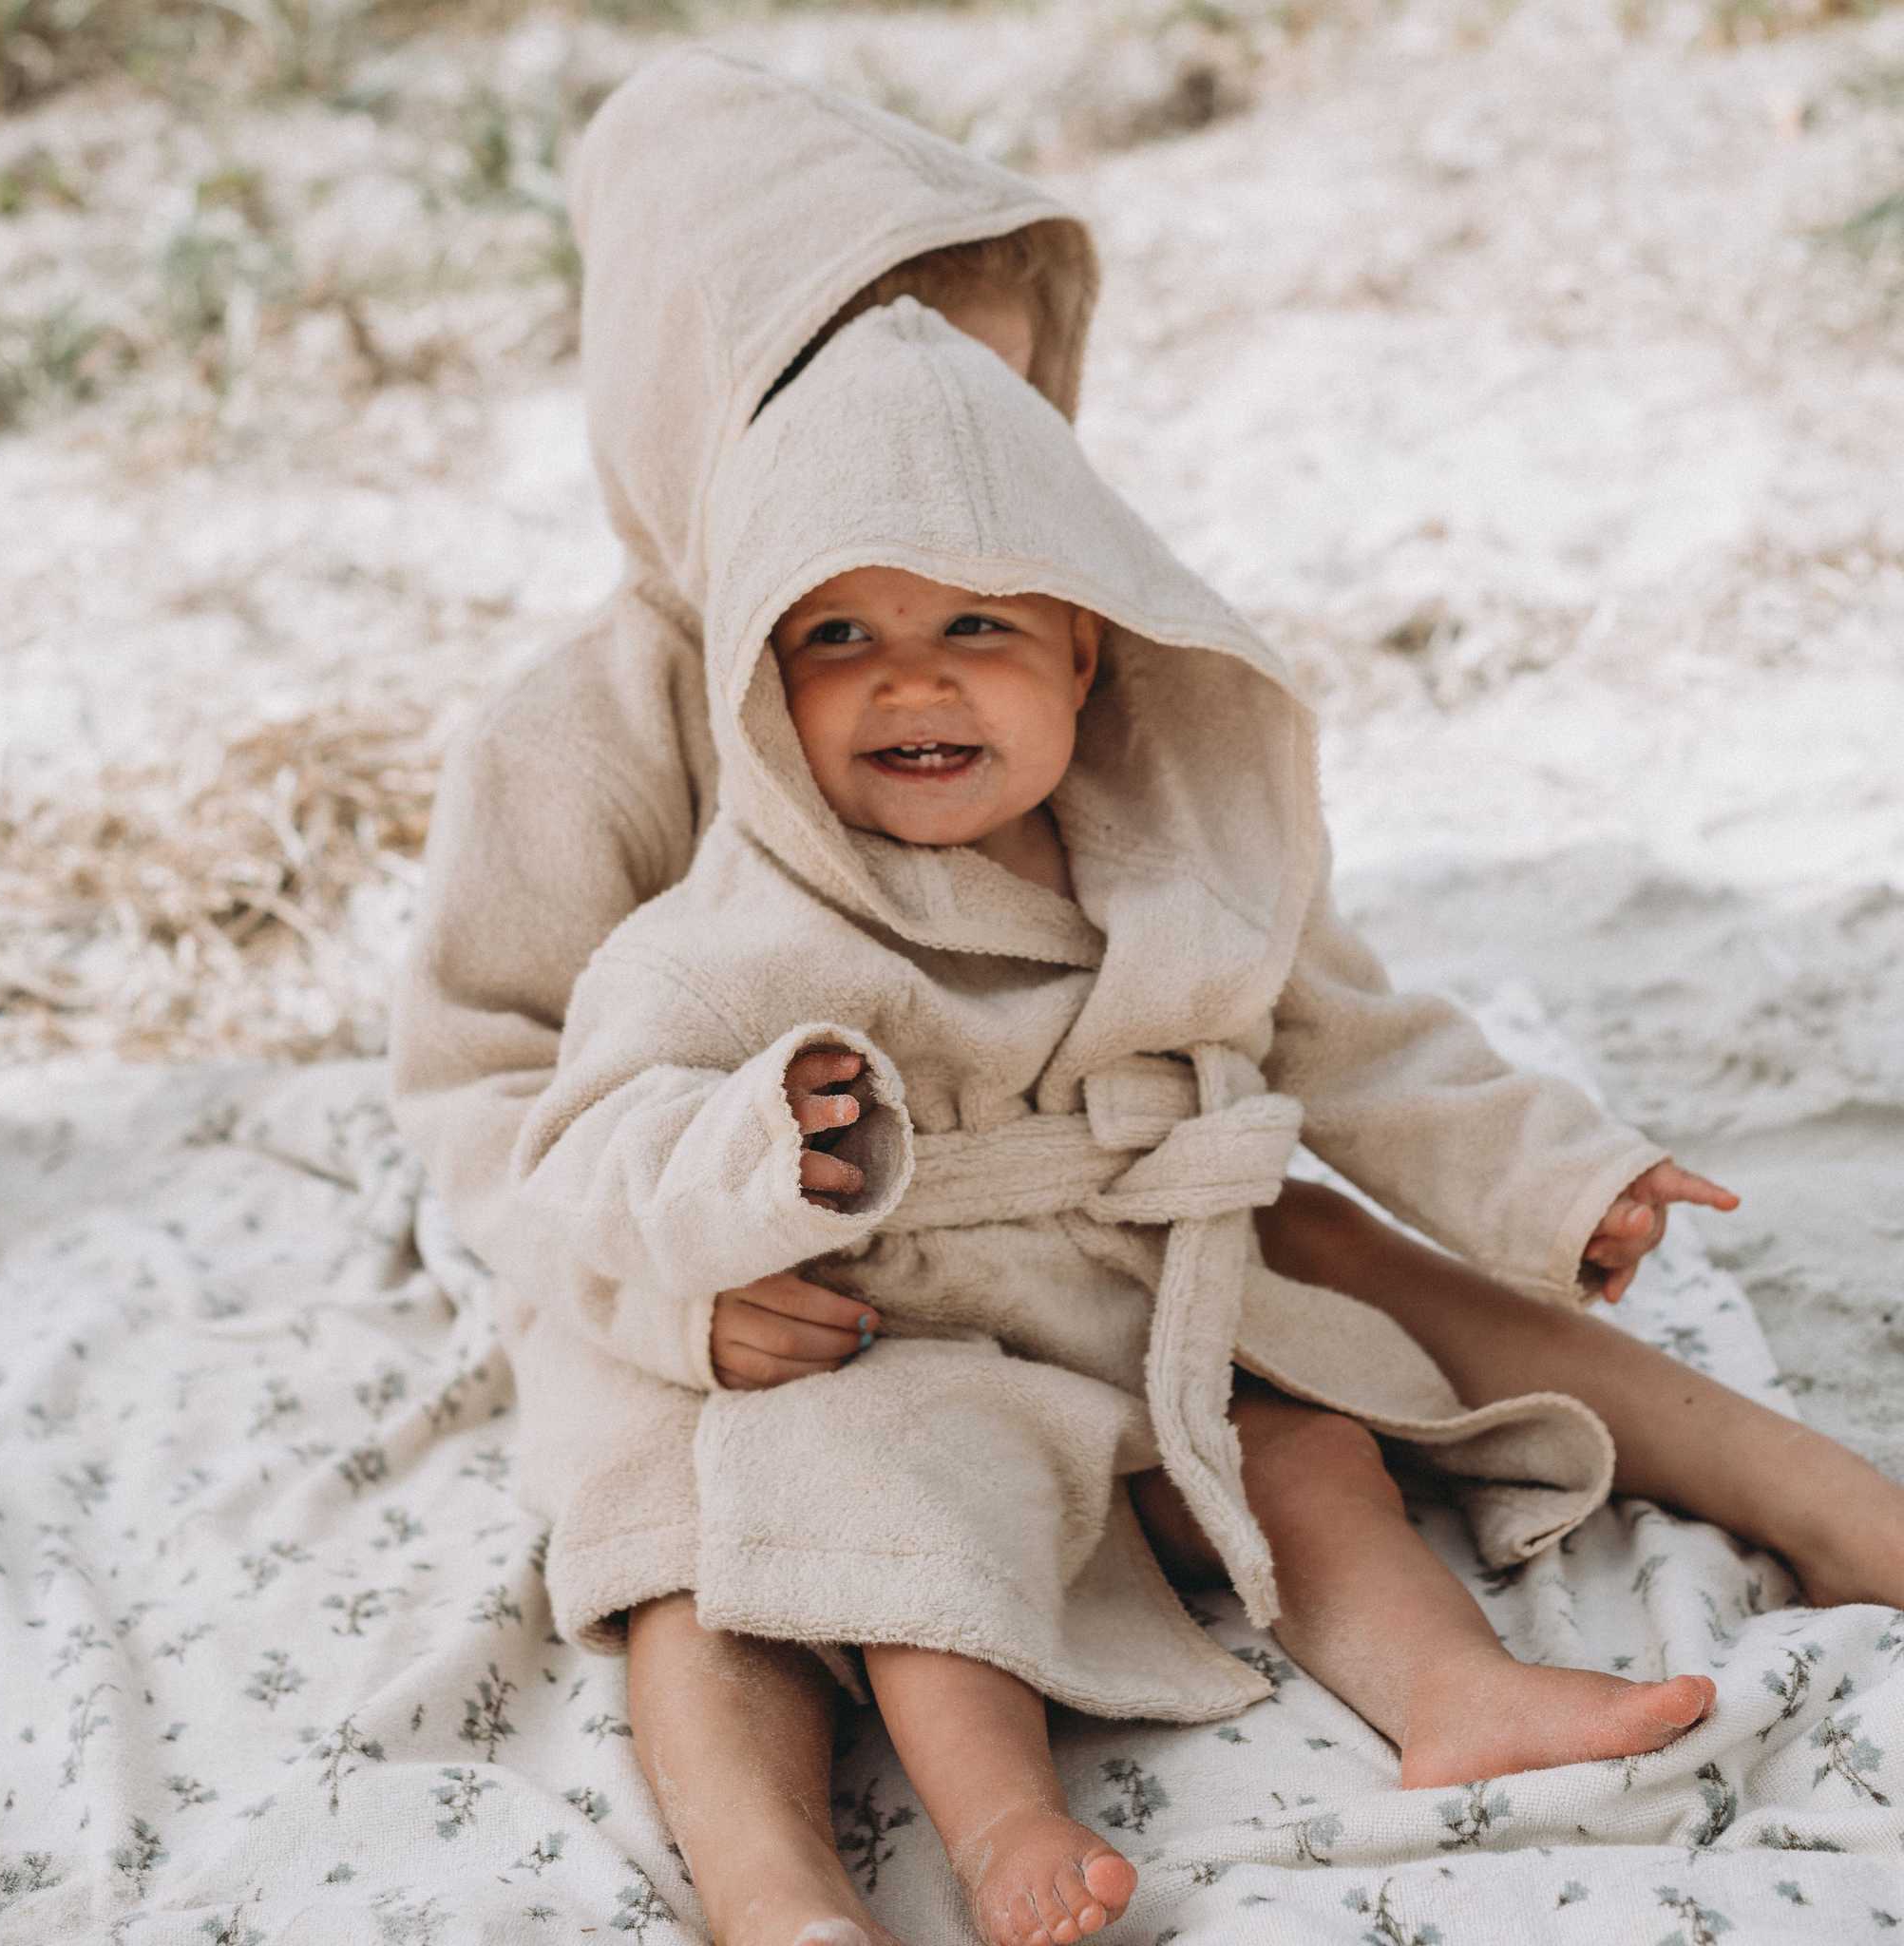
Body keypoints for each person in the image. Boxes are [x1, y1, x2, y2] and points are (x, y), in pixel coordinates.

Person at [391, 51, 1904, 1946]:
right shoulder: (581, 741)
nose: (917, 437)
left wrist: (1545, 1179)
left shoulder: (1099, 706)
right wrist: (686, 1292)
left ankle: (1822, 1502)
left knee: (1367, 1278)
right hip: (740, 1268)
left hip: (1106, 1210)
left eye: (990, 396)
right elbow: (495, 1087)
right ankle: (778, 1897)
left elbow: (1321, 1010)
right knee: (690, 1539)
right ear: (696, 397)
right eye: (834, 389)